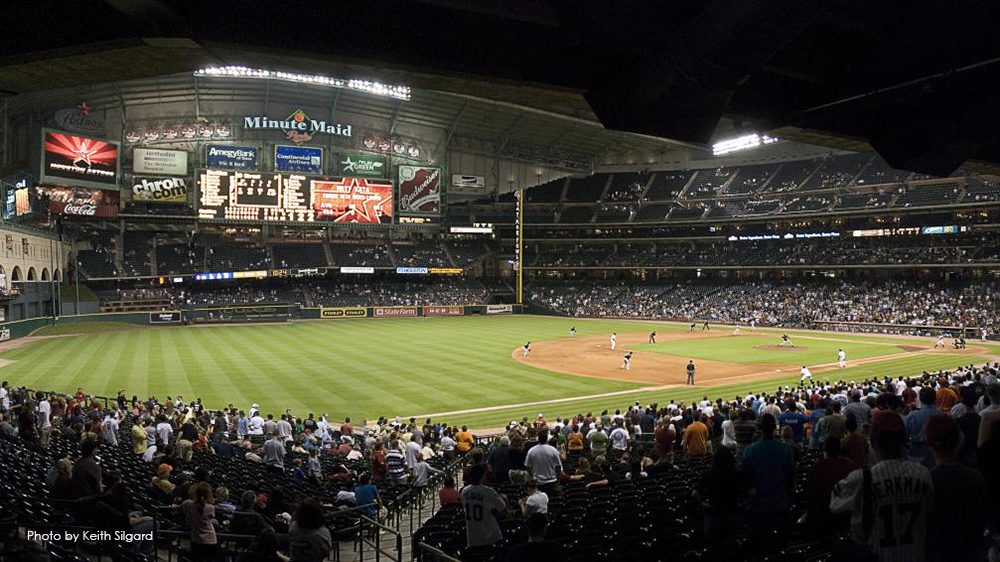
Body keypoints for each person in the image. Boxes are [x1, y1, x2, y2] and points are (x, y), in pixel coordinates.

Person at [831, 411, 933, 562]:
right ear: (904, 440)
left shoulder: (861, 478)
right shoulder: (924, 474)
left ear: (873, 442)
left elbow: (834, 505)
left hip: (875, 555)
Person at [925, 414, 990, 562]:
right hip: (971, 552)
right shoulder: (975, 477)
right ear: (959, 442)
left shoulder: (926, 480)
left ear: (929, 445)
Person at [741, 414, 794, 518]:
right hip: (779, 504)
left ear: (759, 429)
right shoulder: (786, 449)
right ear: (774, 428)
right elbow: (791, 478)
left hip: (759, 506)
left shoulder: (749, 451)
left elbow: (746, 481)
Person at [461, 464, 506, 548]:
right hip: (489, 535)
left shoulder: (464, 491)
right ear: (482, 476)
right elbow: (502, 507)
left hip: (472, 535)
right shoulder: (488, 491)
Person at [181, 482, 219, 560]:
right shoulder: (211, 508)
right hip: (210, 540)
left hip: (196, 539)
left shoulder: (188, 504)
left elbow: (181, 506)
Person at [905, 387, 941, 468]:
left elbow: (905, 438)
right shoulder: (942, 415)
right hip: (937, 456)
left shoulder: (912, 416)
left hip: (916, 457)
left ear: (920, 399)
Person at [524, 429, 562, 494]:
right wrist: (558, 482)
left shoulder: (531, 451)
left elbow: (527, 467)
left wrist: (532, 477)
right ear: (547, 438)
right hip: (551, 481)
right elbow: (558, 467)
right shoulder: (553, 450)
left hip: (538, 482)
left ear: (538, 438)